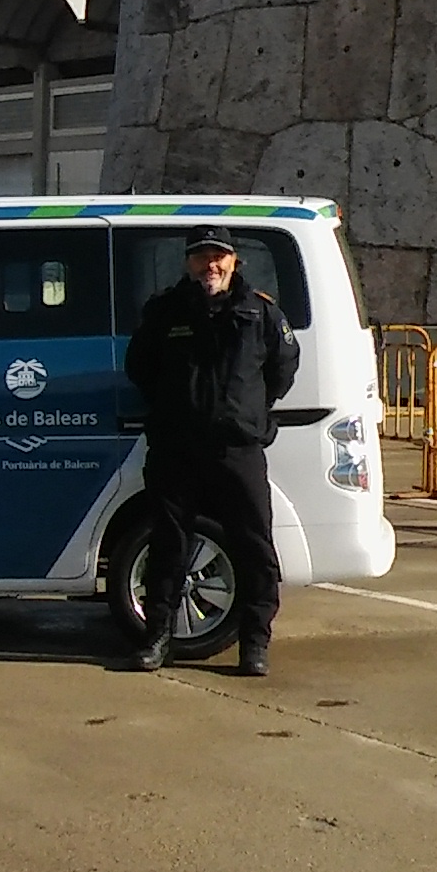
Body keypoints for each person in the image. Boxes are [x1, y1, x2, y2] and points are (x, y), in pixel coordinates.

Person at [122, 225, 299, 677]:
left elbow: (282, 370)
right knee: (168, 544)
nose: (210, 266)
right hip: (177, 447)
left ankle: (255, 642)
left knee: (254, 546)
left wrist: (248, 413)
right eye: (201, 257)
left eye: (218, 257)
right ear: (189, 262)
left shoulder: (260, 313)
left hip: (236, 450)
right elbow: (140, 368)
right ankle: (158, 635)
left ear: (234, 260)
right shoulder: (165, 312)